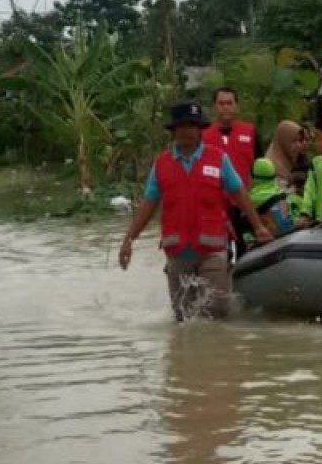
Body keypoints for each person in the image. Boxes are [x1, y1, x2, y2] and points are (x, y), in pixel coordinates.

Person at [119, 101, 273, 321]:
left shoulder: (219, 159)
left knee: (217, 312)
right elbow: (148, 205)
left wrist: (258, 227)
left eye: (192, 126)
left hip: (212, 251)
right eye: (182, 126)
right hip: (177, 253)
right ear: (173, 131)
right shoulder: (162, 164)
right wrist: (129, 240)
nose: (187, 131)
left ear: (200, 129)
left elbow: (240, 194)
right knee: (183, 317)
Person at [203, 87, 260, 192]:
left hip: (243, 199)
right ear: (214, 107)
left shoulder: (250, 132)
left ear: (237, 106)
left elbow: (259, 166)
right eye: (221, 103)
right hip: (214, 199)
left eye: (229, 103)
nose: (225, 107)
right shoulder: (203, 136)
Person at [240, 158, 297, 244]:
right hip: (291, 239)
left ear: (254, 176)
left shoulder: (252, 200)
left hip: (268, 245)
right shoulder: (283, 194)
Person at [265, 120, 304, 193]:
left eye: (299, 141)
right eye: (294, 141)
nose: (299, 145)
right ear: (284, 141)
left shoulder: (285, 165)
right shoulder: (270, 170)